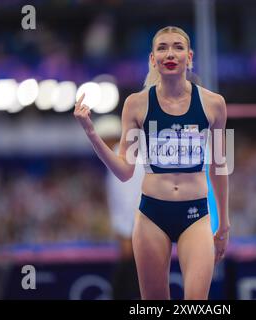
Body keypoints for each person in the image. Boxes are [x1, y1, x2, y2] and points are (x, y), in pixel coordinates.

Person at [74, 26, 230, 300]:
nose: (170, 53)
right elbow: (124, 171)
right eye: (162, 48)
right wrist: (90, 132)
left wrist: (224, 224)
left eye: (178, 47)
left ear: (189, 56)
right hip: (151, 216)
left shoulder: (214, 104)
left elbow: (219, 166)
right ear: (152, 59)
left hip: (195, 215)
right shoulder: (136, 104)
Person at [95, 115, 144, 300]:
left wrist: (126, 235)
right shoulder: (130, 155)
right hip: (138, 231)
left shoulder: (119, 158)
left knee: (130, 288)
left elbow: (127, 200)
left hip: (133, 235)